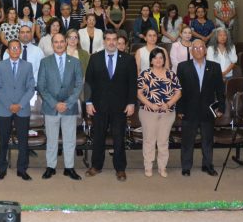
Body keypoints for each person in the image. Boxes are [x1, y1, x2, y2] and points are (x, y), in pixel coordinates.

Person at [85, 31, 136, 181]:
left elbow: (132, 83)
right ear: (104, 41)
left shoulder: (128, 59)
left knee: (119, 138)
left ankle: (120, 168)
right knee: (98, 136)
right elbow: (88, 82)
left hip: (120, 106)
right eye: (109, 39)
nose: (112, 42)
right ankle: (96, 166)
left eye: (114, 39)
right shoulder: (95, 58)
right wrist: (88, 102)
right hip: (99, 106)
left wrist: (131, 102)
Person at [38, 33, 84, 180]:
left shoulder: (75, 62)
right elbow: (41, 86)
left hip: (69, 108)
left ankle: (69, 167)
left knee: (69, 139)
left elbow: (78, 85)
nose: (59, 44)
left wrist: (68, 103)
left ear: (66, 43)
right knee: (51, 139)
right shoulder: (45, 62)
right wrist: (55, 103)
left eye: (61, 42)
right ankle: (50, 167)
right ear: (52, 45)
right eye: (56, 42)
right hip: (51, 107)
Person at [177, 39, 225, 177]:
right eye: (195, 48)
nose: (198, 50)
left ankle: (207, 165)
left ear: (205, 50)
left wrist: (220, 107)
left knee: (207, 140)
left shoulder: (215, 67)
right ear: (191, 51)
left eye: (201, 48)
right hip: (188, 109)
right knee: (187, 141)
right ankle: (186, 167)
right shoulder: (182, 67)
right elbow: (179, 90)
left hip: (207, 110)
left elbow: (220, 90)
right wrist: (179, 109)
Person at [0, 39, 37, 181]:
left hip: (22, 109)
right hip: (4, 109)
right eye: (12, 48)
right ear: (8, 50)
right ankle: (2, 169)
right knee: (3, 140)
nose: (15, 50)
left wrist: (20, 104)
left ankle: (22, 169)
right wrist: (9, 105)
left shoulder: (28, 66)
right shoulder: (0, 66)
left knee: (23, 141)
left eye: (17, 48)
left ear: (21, 50)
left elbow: (31, 88)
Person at [136, 48, 182, 178]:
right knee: (149, 140)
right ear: (151, 60)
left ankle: (162, 167)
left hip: (168, 113)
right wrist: (151, 104)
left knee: (163, 141)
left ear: (164, 60)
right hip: (148, 112)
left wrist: (168, 104)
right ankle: (148, 166)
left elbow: (178, 92)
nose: (158, 60)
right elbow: (138, 93)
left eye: (161, 58)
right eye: (155, 57)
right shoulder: (144, 74)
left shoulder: (171, 74)